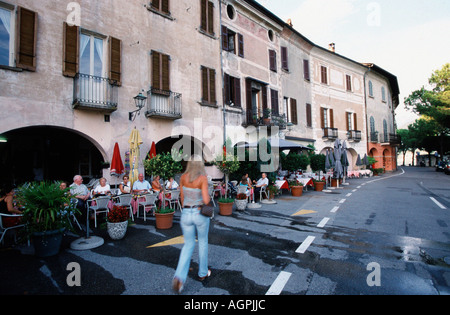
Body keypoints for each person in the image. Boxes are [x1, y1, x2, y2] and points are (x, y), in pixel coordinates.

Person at [172, 157, 211, 294]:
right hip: (199, 213)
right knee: (203, 242)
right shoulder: (202, 178)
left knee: (188, 245)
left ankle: (179, 277)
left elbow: (182, 198)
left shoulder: (183, 177)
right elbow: (206, 200)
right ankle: (202, 272)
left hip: (186, 212)